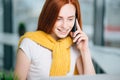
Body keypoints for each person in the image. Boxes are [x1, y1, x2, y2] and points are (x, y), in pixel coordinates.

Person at [14, 0, 95, 80]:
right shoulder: (29, 44)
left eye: (70, 19)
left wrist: (85, 51)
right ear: (49, 17)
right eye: (59, 18)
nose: (64, 25)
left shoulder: (74, 46)